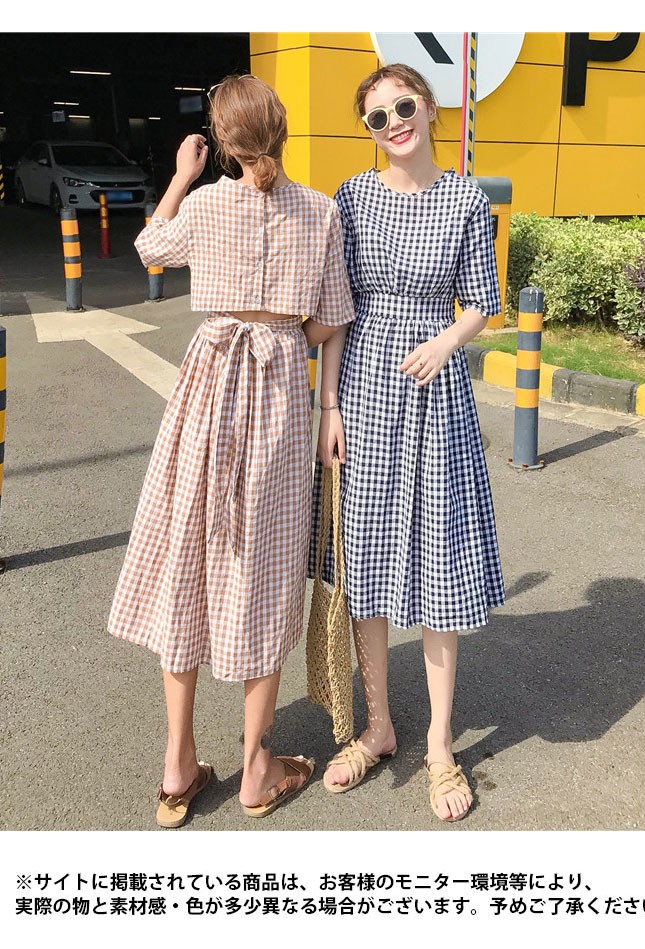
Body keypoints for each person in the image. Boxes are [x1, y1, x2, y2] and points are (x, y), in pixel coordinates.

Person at [108, 74, 354, 826]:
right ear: (282, 130)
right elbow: (330, 320)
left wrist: (182, 177)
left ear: (221, 141)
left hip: (209, 390)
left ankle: (177, 765)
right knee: (265, 566)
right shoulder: (321, 210)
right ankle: (256, 769)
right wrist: (298, 353)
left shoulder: (208, 202)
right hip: (277, 397)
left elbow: (150, 248)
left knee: (188, 552)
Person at [309, 63, 505, 823]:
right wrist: (329, 404)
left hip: (435, 396)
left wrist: (447, 340)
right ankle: (379, 726)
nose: (393, 122)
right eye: (377, 116)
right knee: (366, 557)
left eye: (403, 106)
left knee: (439, 558)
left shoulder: (465, 198)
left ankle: (440, 743)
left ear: (427, 107)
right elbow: (337, 306)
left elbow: (482, 300)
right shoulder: (352, 198)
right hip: (362, 390)